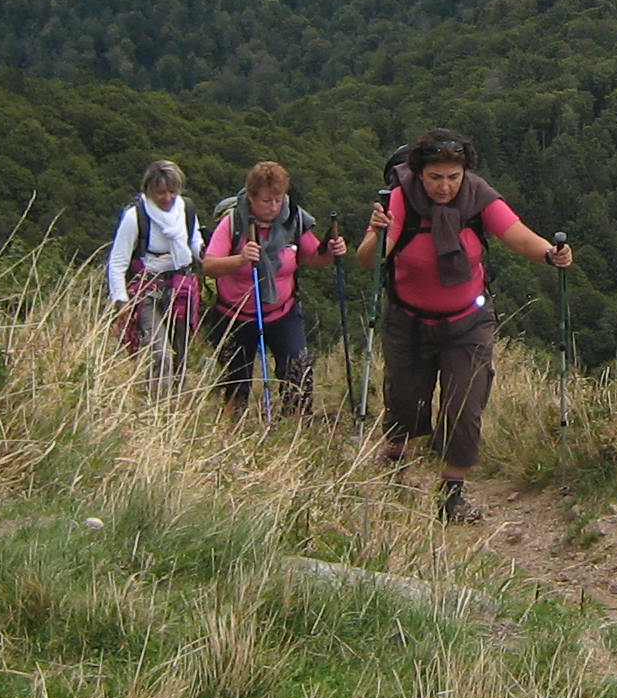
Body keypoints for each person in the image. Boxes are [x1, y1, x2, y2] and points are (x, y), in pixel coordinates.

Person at [351, 128, 572, 523]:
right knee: (405, 403)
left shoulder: (478, 197)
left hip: (467, 323)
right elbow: (370, 259)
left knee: (465, 406)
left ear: (465, 173)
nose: (445, 186)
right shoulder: (398, 200)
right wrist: (378, 232)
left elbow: (518, 236)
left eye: (453, 177)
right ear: (419, 173)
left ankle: (451, 496)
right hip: (408, 321)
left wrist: (550, 254)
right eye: (435, 177)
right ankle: (396, 469)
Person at [199, 161, 341, 417]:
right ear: (251, 197)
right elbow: (209, 266)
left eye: (278, 199)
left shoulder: (293, 220)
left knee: (298, 375)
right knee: (235, 382)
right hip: (234, 316)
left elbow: (314, 258)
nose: (274, 206)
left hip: (283, 313)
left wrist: (332, 252)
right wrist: (241, 259)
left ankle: (297, 425)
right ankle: (235, 428)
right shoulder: (233, 223)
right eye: (266, 200)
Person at [105, 161, 201, 388]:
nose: (168, 198)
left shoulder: (186, 210)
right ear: (149, 190)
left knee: (180, 354)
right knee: (160, 353)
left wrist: (209, 255)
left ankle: (175, 400)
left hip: (180, 289)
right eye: (161, 192)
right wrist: (122, 301)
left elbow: (195, 242)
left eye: (172, 191)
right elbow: (117, 262)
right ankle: (158, 400)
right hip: (147, 290)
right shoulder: (135, 216)